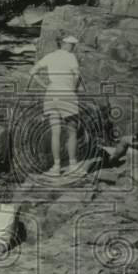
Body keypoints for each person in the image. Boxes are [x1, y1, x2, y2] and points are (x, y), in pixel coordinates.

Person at [27, 34, 83, 175]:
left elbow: (32, 71)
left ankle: (56, 167)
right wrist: (73, 89)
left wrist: (46, 86)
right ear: (64, 43)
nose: (73, 47)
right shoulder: (71, 57)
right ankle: (73, 165)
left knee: (55, 133)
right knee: (72, 131)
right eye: (71, 44)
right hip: (67, 94)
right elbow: (76, 76)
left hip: (51, 93)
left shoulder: (50, 56)